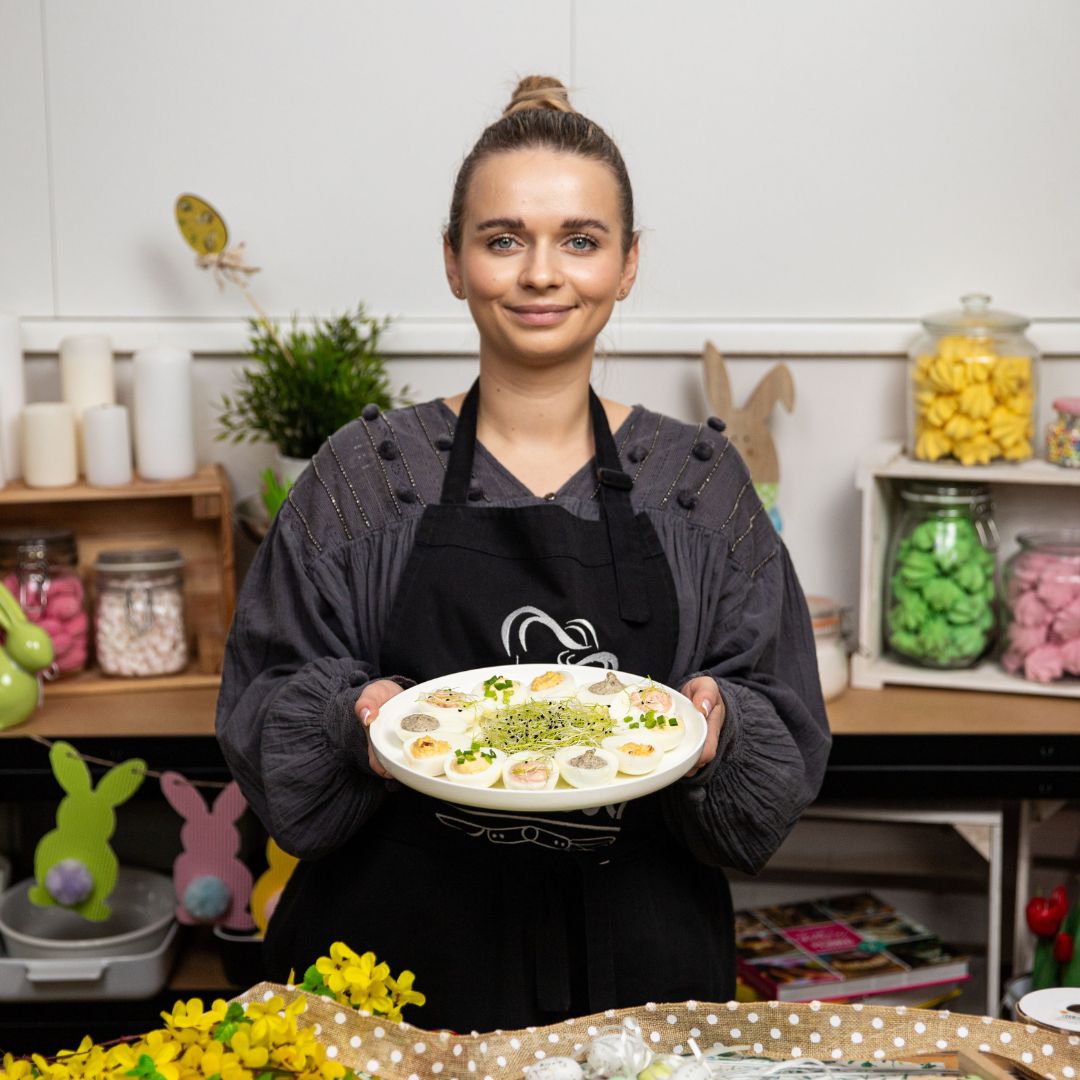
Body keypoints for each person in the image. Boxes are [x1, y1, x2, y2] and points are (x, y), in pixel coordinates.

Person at [216, 75, 831, 1033]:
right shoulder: (363, 479)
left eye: (580, 241)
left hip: (643, 1003)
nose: (541, 274)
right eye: (503, 239)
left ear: (628, 264)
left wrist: (725, 729)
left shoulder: (701, 486)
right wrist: (353, 719)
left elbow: (781, 751)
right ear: (455, 263)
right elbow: (263, 714)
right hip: (390, 1000)